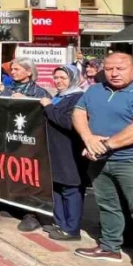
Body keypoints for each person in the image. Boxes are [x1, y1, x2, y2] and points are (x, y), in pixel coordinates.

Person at [72, 52, 133, 266]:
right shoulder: (95, 89)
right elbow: (79, 113)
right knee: (107, 204)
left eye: (120, 68)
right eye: (109, 68)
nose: (114, 73)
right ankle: (110, 246)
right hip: (98, 159)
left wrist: (103, 145)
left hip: (130, 160)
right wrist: (88, 137)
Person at [37, 66, 89, 241]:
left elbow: (68, 122)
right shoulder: (59, 97)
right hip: (54, 150)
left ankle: (72, 229)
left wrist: (49, 107)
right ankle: (60, 223)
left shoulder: (78, 98)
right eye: (56, 78)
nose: (58, 81)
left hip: (69, 151)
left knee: (71, 188)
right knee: (57, 187)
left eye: (63, 78)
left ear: (73, 78)